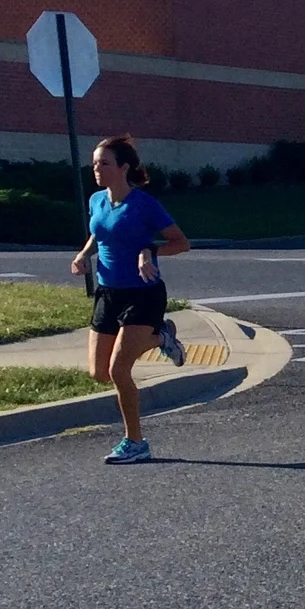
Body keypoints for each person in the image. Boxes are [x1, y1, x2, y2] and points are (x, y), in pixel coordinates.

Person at [69, 135, 191, 465]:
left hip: (143, 292)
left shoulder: (144, 205)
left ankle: (135, 442)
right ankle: (161, 336)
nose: (96, 169)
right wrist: (83, 256)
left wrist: (149, 250)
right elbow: (99, 233)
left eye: (104, 163)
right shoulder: (97, 200)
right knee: (99, 372)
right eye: (94, 164)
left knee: (119, 369)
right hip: (108, 293)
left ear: (123, 168)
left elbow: (181, 242)